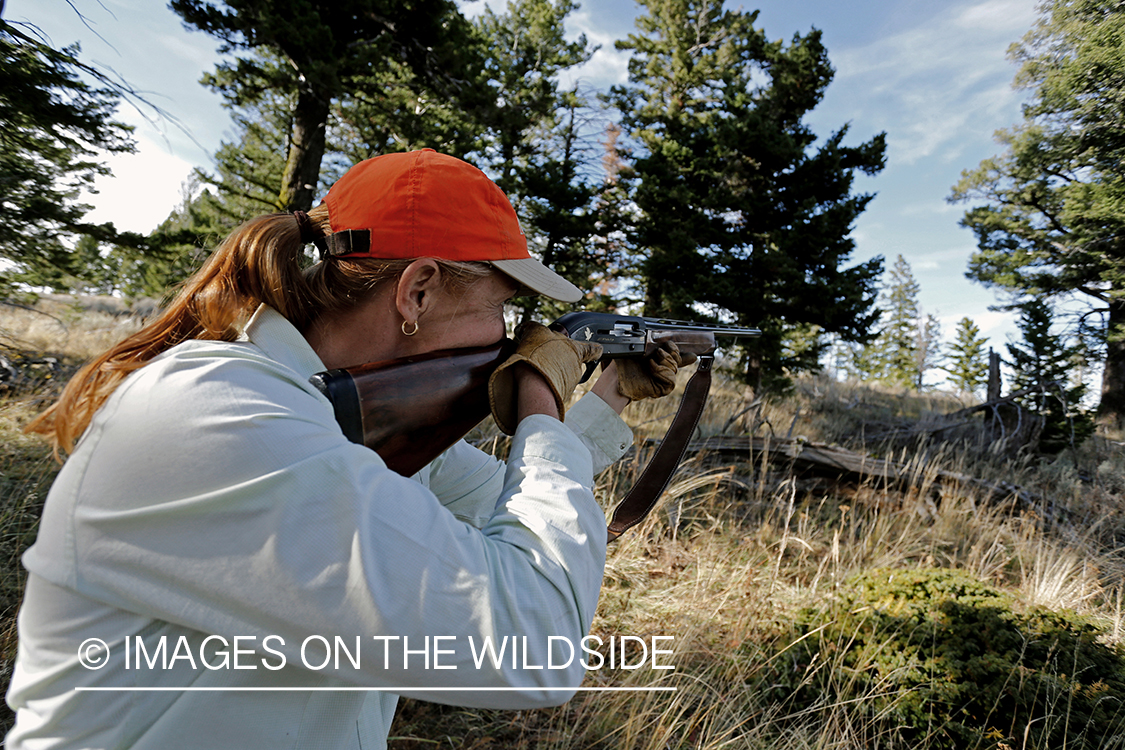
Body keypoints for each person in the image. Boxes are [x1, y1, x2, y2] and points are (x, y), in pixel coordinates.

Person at [6, 149, 686, 749]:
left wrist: (606, 398)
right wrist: (539, 392)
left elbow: (515, 508)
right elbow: (533, 645)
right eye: (501, 310)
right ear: (416, 291)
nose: (506, 337)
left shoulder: (327, 421)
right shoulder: (218, 415)